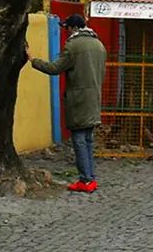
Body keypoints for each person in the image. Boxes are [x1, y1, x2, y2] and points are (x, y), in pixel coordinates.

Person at [27, 14, 107, 193]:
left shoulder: (73, 47)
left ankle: (85, 180)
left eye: (66, 28)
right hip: (94, 97)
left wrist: (33, 60)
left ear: (72, 28)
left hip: (78, 100)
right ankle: (90, 178)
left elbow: (54, 68)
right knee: (88, 139)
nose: (65, 32)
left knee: (79, 140)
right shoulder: (99, 45)